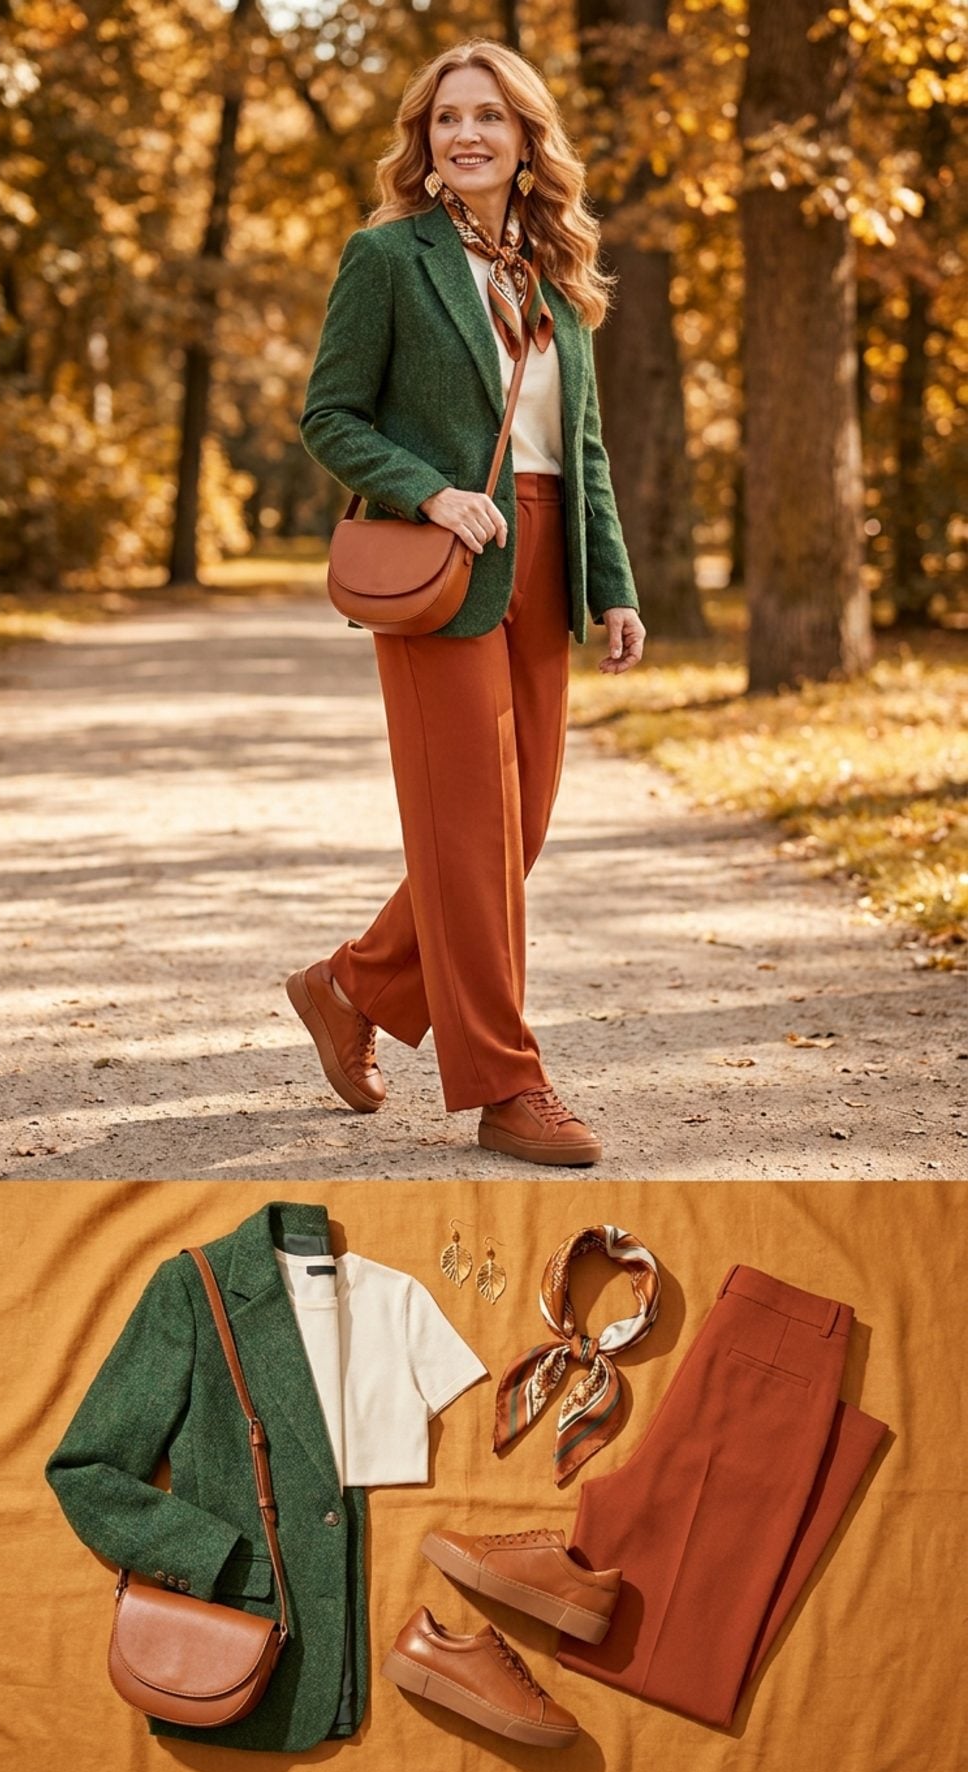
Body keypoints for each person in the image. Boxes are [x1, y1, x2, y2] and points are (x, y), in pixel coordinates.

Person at [288, 37, 646, 1168]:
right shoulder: (388, 258)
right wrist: (428, 493)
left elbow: (579, 445)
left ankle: (351, 983)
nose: (469, 134)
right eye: (448, 118)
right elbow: (331, 415)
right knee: (468, 829)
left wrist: (614, 584)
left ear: (527, 136)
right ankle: (505, 1085)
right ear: (426, 141)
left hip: (545, 564)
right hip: (442, 563)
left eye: (490, 115)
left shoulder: (559, 272)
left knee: (516, 825)